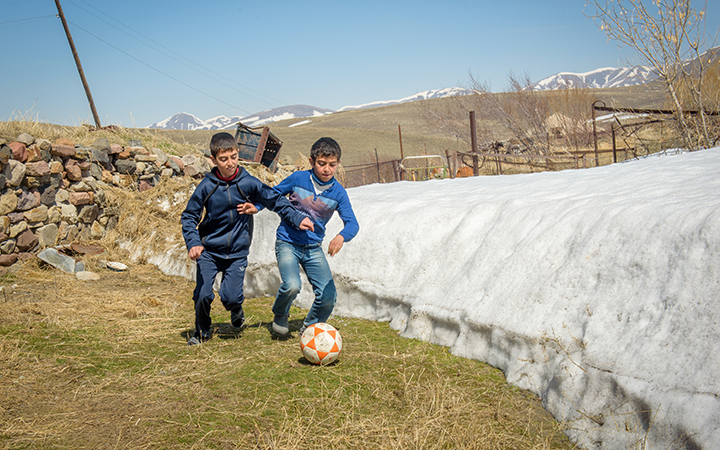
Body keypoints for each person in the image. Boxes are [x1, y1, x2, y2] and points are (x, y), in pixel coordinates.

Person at [181, 132, 313, 346]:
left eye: (233, 156)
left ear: (238, 154)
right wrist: (194, 242)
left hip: (237, 252)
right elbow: (189, 216)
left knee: (230, 297)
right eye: (223, 159)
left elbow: (275, 200)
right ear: (213, 160)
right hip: (209, 251)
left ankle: (236, 310)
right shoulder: (207, 186)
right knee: (203, 294)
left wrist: (297, 217)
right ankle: (202, 331)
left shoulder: (248, 182)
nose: (230, 163)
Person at [267, 137, 359, 337]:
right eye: (322, 164)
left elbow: (352, 223)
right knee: (292, 285)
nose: (327, 169)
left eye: (332, 165)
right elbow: (272, 195)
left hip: (313, 247)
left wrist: (342, 236)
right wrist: (254, 207)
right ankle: (280, 313)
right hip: (287, 242)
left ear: (338, 164)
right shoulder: (298, 178)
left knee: (328, 295)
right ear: (311, 161)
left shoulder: (339, 193)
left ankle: (310, 329)